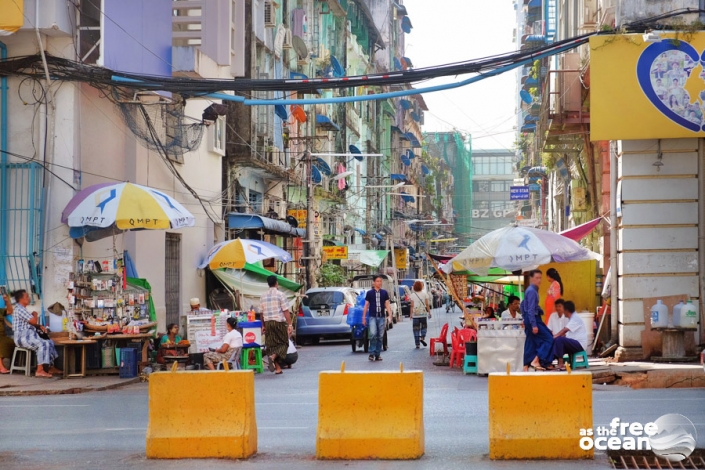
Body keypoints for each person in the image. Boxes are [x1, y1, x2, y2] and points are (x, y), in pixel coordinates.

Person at [11, 289, 60, 378]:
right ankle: (39, 370)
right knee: (42, 344)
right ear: (21, 299)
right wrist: (35, 315)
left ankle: (49, 367)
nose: (29, 298)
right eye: (27, 297)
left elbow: (31, 323)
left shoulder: (23, 309)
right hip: (22, 338)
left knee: (49, 342)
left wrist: (39, 326)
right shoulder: (20, 309)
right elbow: (33, 321)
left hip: (29, 336)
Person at [520, 270, 554, 371]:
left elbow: (523, 305)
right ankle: (537, 360)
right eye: (537, 278)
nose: (539, 280)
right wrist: (533, 324)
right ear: (531, 278)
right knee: (549, 338)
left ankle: (525, 366)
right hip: (533, 319)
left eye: (540, 278)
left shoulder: (532, 290)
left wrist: (525, 317)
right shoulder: (531, 291)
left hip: (530, 318)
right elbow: (530, 309)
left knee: (530, 342)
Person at [260, 275, 293, 374]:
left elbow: (261, 313)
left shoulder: (263, 296)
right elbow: (285, 310)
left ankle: (278, 369)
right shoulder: (280, 294)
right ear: (276, 283)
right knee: (284, 343)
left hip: (268, 323)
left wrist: (263, 325)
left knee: (272, 345)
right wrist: (290, 324)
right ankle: (273, 356)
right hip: (279, 322)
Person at [362, 275, 393, 362]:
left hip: (381, 317)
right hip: (372, 317)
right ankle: (371, 353)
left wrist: (390, 314)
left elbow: (387, 304)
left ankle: (378, 354)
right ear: (374, 282)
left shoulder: (384, 293)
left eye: (380, 281)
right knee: (372, 335)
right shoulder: (369, 293)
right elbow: (366, 305)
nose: (379, 283)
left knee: (380, 336)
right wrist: (363, 317)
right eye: (378, 281)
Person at [552, 300, 588, 370]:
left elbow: (565, 330)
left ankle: (561, 364)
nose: (562, 312)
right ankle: (548, 363)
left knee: (559, 340)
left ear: (566, 310)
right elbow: (568, 334)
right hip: (575, 343)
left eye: (563, 309)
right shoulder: (572, 318)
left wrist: (555, 336)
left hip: (579, 344)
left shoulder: (575, 318)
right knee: (556, 343)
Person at [409, 280, 431, 349]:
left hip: (415, 314)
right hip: (423, 314)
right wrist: (429, 312)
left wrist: (411, 314)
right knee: (424, 327)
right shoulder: (425, 294)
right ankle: (422, 337)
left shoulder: (412, 295)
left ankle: (417, 344)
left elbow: (412, 305)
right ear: (421, 286)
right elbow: (427, 304)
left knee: (416, 329)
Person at [0, 293, 15, 373]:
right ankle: (1, 366)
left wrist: (7, 301)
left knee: (12, 342)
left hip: (2, 335)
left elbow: (10, 311)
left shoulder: (0, 310)